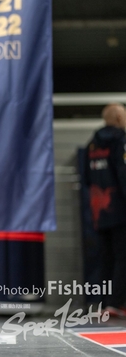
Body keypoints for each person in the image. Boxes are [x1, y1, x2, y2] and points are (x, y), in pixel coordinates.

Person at [84, 103, 126, 317]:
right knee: (123, 257)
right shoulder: (121, 140)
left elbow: (86, 177)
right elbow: (123, 174)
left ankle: (105, 302)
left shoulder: (92, 144)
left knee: (106, 258)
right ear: (119, 118)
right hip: (120, 211)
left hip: (99, 212)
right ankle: (116, 303)